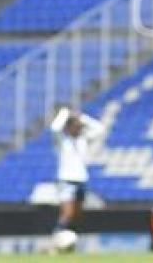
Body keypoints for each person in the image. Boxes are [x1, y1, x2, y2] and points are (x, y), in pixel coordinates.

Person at [50, 106, 105, 251]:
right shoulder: (62, 141)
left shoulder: (83, 140)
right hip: (66, 180)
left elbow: (100, 129)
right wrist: (65, 113)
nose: (79, 128)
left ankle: (69, 245)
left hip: (82, 180)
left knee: (76, 215)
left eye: (79, 126)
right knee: (67, 214)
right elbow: (54, 128)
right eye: (76, 126)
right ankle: (56, 242)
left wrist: (83, 118)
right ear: (69, 127)